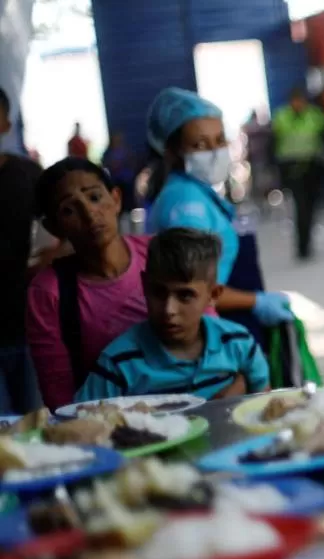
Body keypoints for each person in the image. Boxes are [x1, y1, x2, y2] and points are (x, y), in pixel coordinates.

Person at [146, 87, 292, 350]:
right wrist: (256, 301)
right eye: (199, 144)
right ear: (172, 151)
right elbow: (192, 290)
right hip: (213, 333)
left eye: (219, 140)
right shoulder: (186, 205)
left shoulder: (197, 192)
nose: (214, 152)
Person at [76, 228, 270, 402]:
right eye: (158, 293)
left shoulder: (238, 343)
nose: (169, 310)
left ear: (213, 295)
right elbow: (81, 423)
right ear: (144, 285)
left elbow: (264, 405)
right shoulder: (118, 363)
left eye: (185, 295)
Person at [26, 159, 152, 410]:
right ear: (54, 227)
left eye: (94, 197)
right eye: (68, 210)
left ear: (116, 199)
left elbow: (209, 336)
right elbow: (60, 400)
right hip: (109, 423)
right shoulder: (49, 293)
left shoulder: (158, 253)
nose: (89, 213)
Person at [0, 87, 42, 415]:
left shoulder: (27, 175)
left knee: (36, 423)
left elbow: (66, 228)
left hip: (28, 325)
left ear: (5, 123)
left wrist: (48, 261)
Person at [272, 88, 324, 260]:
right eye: (295, 101)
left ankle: (307, 243)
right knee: (301, 207)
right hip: (292, 168)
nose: (298, 104)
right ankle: (302, 247)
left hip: (313, 168)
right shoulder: (281, 117)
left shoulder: (315, 115)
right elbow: (273, 142)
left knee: (312, 207)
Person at [101, 131, 137, 214]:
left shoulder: (126, 151)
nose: (118, 140)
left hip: (127, 182)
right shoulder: (108, 153)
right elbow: (105, 164)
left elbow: (132, 162)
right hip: (116, 182)